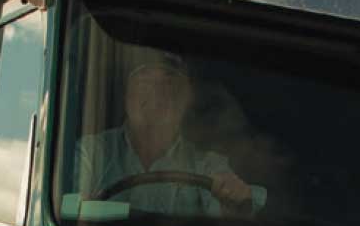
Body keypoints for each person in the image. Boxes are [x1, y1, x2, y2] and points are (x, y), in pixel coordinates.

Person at [76, 52, 259, 216]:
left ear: (187, 98)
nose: (157, 94)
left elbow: (227, 221)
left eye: (169, 83)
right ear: (126, 94)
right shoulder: (91, 152)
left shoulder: (208, 165)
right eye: (144, 81)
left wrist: (233, 200)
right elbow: (74, 216)